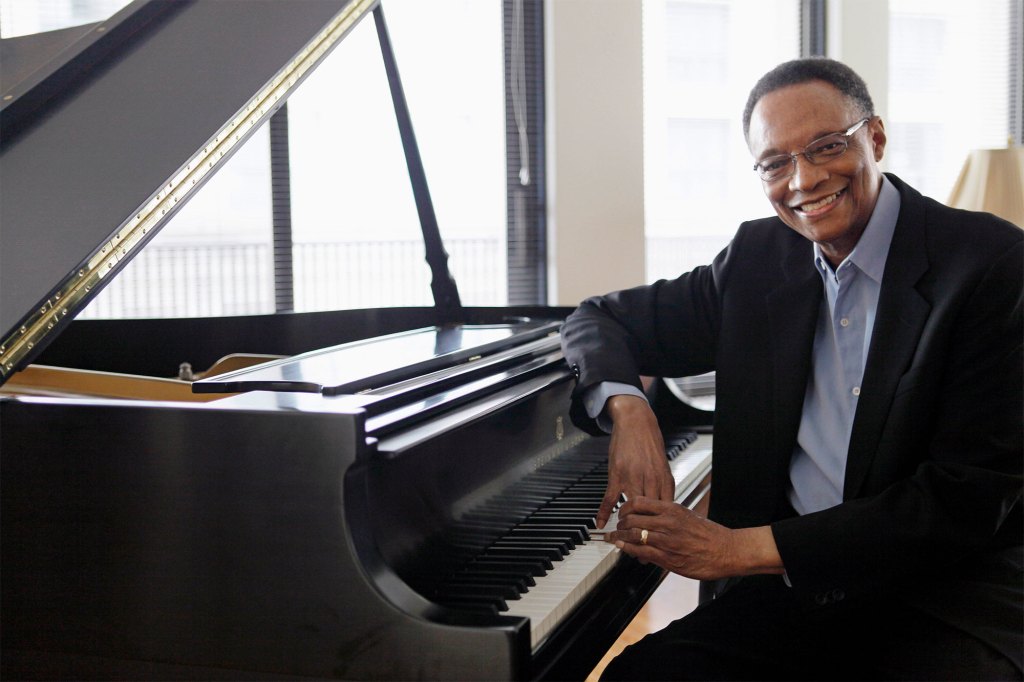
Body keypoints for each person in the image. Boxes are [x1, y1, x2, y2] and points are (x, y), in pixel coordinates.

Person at [560, 57, 1022, 680]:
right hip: (789, 595)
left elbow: (963, 501)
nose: (803, 179)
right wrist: (630, 409)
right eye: (775, 163)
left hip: (945, 598)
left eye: (827, 147)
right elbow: (598, 318)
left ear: (875, 138)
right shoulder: (758, 258)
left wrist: (735, 549)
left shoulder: (991, 265)